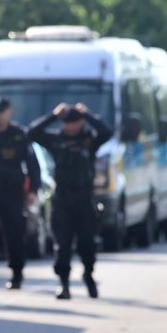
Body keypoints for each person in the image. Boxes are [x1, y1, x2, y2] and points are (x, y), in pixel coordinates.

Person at [28, 103, 113, 300]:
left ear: (80, 122)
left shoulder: (89, 139)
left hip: (84, 200)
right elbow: (32, 133)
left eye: (74, 122)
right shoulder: (56, 139)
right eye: (66, 123)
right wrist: (53, 115)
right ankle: (64, 284)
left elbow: (107, 132)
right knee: (62, 245)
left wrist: (89, 113)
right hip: (63, 200)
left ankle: (89, 275)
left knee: (87, 244)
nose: (70, 127)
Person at [0, 97, 41, 290]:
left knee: (14, 234)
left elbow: (32, 165)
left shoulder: (19, 135)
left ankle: (17, 274)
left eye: (0, 111)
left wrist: (33, 190)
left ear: (8, 111)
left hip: (13, 194)